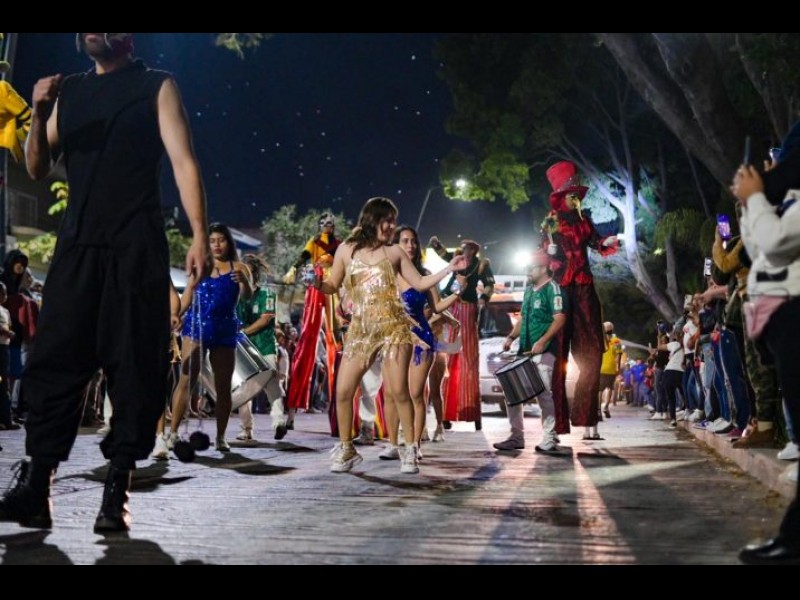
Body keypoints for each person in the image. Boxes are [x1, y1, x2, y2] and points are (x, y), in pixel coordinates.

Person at [0, 33, 211, 533]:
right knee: (53, 363)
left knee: (135, 363)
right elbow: (36, 166)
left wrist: (200, 234)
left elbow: (184, 161)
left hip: (136, 246)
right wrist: (38, 112)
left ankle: (117, 492)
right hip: (78, 247)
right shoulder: (70, 91)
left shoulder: (157, 86)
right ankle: (37, 488)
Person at [313, 198, 467, 474]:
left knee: (399, 391)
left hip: (394, 328)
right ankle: (347, 449)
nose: (391, 226)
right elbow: (332, 285)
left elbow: (420, 282)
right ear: (372, 219)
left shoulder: (394, 252)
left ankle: (409, 450)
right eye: (387, 220)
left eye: (393, 221)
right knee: (343, 391)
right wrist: (316, 283)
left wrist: (449, 269)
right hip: (361, 330)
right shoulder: (347, 250)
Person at [733, 139, 800, 565]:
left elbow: (776, 246)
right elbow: (758, 250)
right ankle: (793, 538)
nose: (773, 168)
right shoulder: (789, 200)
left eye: (782, 161)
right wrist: (749, 205)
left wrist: (756, 198)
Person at [541, 161, 618, 440]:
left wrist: (605, 243)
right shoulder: (550, 222)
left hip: (584, 289)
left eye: (576, 190)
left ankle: (587, 419)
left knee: (593, 352)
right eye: (571, 190)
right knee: (557, 357)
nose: (575, 195)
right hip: (562, 290)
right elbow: (542, 256)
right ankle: (556, 424)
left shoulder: (584, 219)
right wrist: (549, 254)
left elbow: (596, 242)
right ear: (562, 193)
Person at [168, 224, 252, 453]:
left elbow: (247, 297)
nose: (216, 245)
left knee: (223, 386)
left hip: (224, 330)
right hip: (195, 328)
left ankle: (221, 437)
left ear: (228, 243)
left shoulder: (239, 267)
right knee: (186, 380)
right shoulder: (200, 266)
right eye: (212, 240)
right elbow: (187, 296)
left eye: (221, 240)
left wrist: (244, 282)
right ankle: (173, 433)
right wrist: (175, 315)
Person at [381, 226, 463, 460]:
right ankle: (392, 444)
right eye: (404, 241)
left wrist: (458, 292)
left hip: (422, 340)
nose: (410, 245)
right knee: (391, 393)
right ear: (395, 245)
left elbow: (436, 307)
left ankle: (414, 445)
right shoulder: (387, 273)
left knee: (415, 393)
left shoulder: (425, 274)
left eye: (413, 241)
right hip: (394, 338)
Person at [494, 252, 566, 454]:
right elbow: (522, 318)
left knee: (543, 394)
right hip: (524, 350)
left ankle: (549, 437)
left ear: (544, 268)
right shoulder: (528, 291)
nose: (527, 271)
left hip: (545, 350)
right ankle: (516, 437)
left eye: (531, 268)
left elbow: (559, 318)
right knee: (513, 392)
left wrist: (543, 341)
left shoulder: (553, 289)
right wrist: (511, 337)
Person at [429, 237, 495, 430]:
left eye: (467, 248)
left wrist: (483, 298)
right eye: (463, 248)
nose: (464, 251)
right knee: (447, 356)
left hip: (467, 309)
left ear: (473, 251)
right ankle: (446, 414)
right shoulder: (457, 259)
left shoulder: (481, 265)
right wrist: (436, 244)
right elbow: (445, 256)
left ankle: (470, 412)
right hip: (450, 306)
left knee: (468, 359)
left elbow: (489, 284)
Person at [285, 214, 341, 418]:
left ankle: (339, 404)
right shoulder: (315, 242)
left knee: (336, 337)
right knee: (309, 335)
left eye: (329, 224)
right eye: (323, 224)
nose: (326, 226)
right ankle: (295, 403)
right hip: (317, 283)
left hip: (333, 284)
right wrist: (293, 270)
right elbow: (303, 256)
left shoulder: (339, 244)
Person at [236, 254, 288, 442]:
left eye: (247, 272)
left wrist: (243, 332)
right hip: (243, 349)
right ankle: (246, 429)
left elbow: (265, 319)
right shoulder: (236, 296)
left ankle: (279, 422)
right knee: (243, 390)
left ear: (255, 274)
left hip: (265, 346)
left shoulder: (268, 294)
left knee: (271, 384)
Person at [599, 322, 622, 419]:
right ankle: (606, 407)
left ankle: (598, 410)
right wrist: (618, 368)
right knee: (610, 388)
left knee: (599, 390)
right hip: (611, 369)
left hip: (600, 368)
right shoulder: (616, 341)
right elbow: (619, 355)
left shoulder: (599, 339)